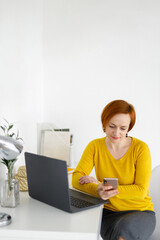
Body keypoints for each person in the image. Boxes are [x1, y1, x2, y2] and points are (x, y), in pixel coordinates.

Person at [72, 99, 156, 240]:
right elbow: (76, 178)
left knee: (122, 233)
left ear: (129, 128)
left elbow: (140, 191)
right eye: (112, 126)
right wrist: (97, 188)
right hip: (108, 212)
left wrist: (104, 188)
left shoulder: (141, 148)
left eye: (123, 128)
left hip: (140, 212)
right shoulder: (95, 146)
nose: (117, 133)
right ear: (104, 123)